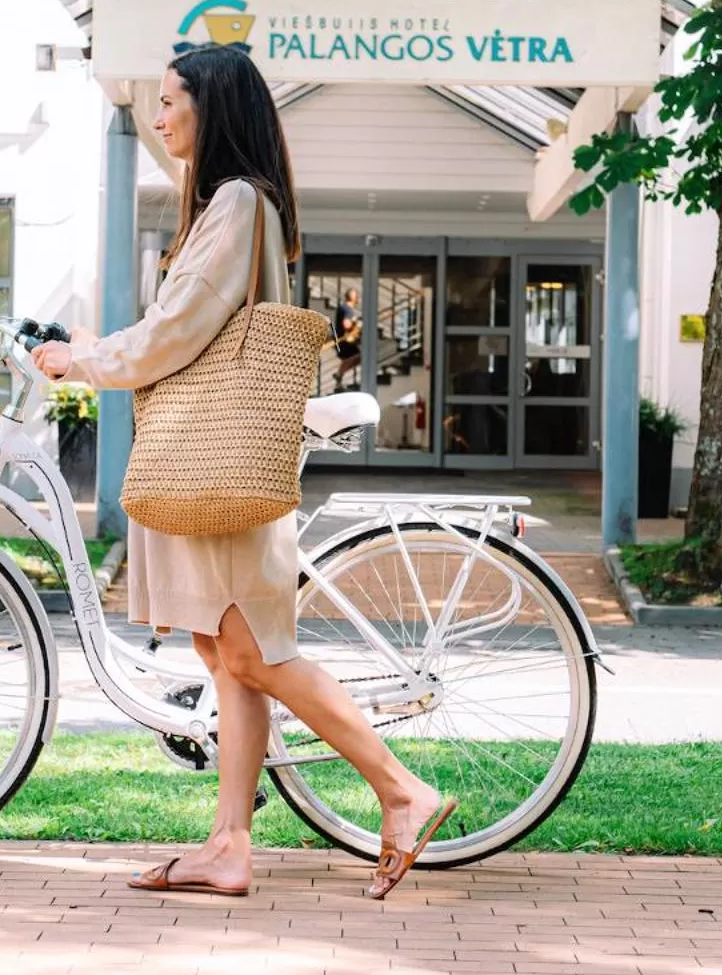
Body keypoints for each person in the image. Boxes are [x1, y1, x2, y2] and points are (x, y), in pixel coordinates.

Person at [33, 44, 454, 900]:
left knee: (251, 652)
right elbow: (183, 322)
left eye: (169, 101)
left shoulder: (234, 200)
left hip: (219, 456)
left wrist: (84, 361)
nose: (157, 118)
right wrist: (93, 350)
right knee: (226, 655)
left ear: (211, 105)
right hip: (207, 456)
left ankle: (402, 788)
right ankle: (229, 844)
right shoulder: (227, 203)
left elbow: (180, 329)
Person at [331, 286, 362, 390]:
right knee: (357, 356)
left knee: (354, 358)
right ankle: (339, 374)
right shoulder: (348, 309)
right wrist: (356, 323)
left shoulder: (343, 307)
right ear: (353, 298)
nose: (359, 299)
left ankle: (339, 377)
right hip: (345, 340)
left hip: (341, 339)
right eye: (357, 297)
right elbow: (346, 324)